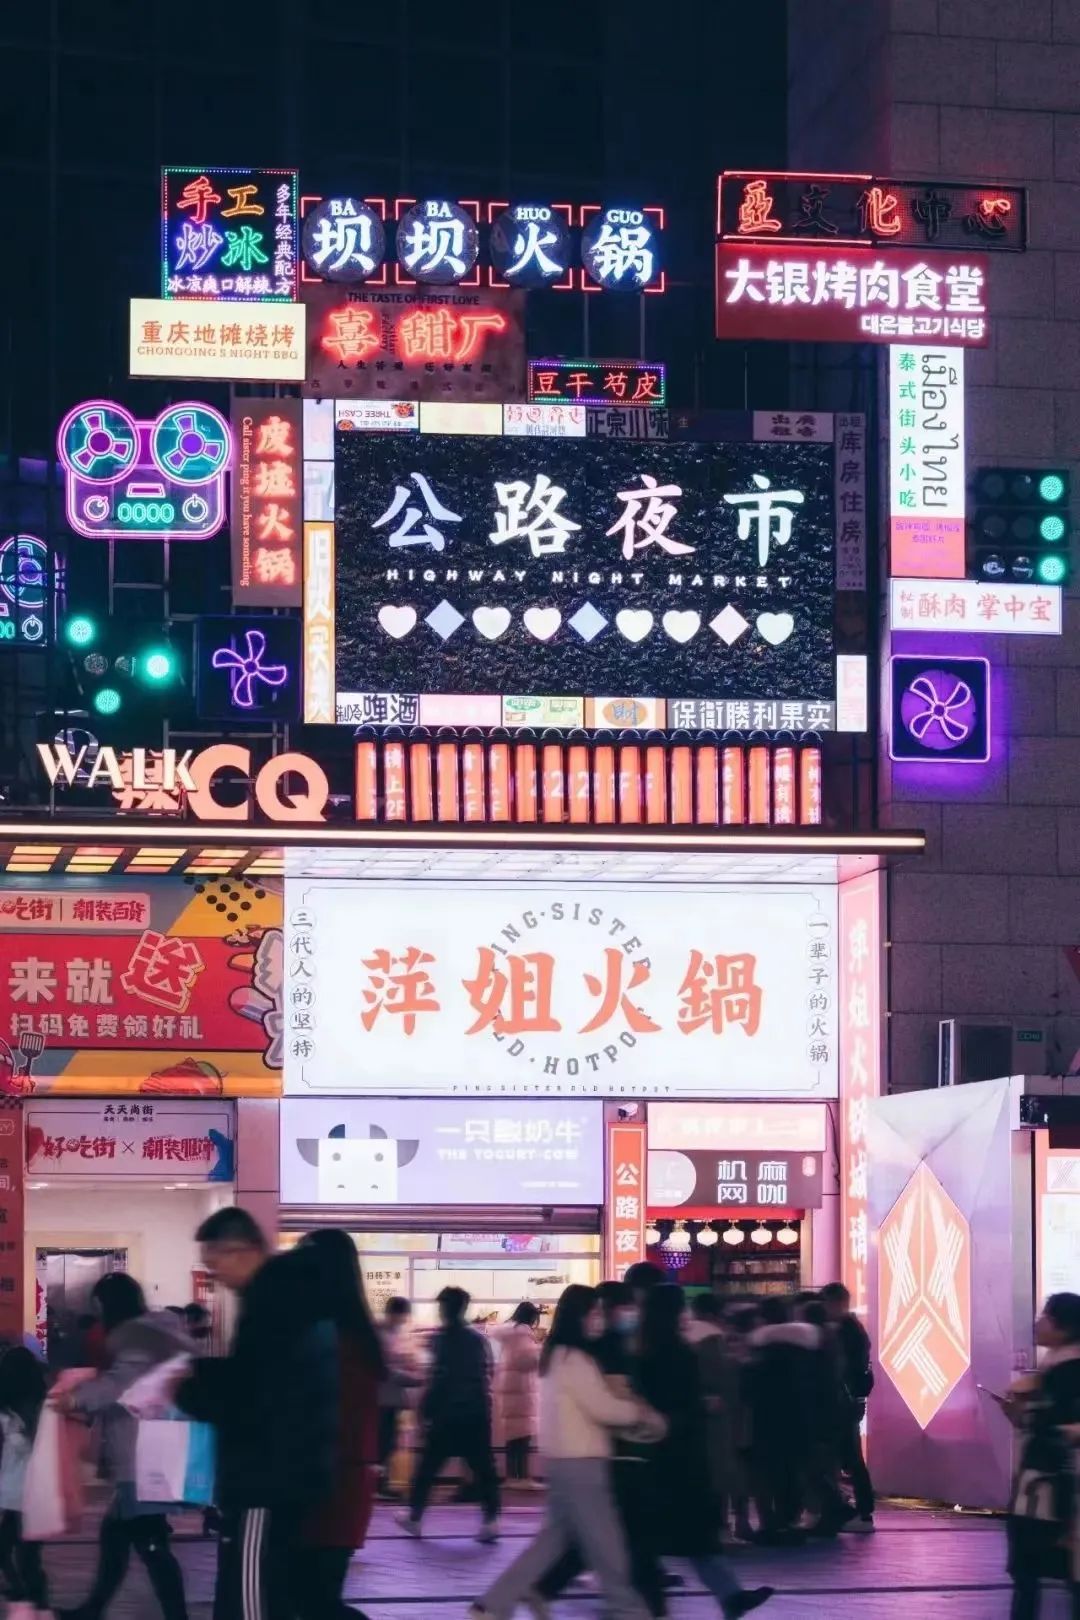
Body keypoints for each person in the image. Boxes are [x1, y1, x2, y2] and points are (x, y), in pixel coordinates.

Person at [176, 1207, 338, 1620]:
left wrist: (190, 1390)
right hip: (287, 1472)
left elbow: (255, 1393)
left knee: (251, 1596)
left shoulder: (273, 1302)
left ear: (240, 1250)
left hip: (266, 1478)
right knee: (270, 1591)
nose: (215, 1277)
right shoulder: (290, 1296)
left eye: (215, 1264)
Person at [469, 1283, 665, 1620]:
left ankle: (492, 1605)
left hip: (562, 1460)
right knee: (606, 1543)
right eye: (594, 1313)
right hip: (581, 1462)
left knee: (551, 1543)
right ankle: (628, 1610)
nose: (598, 1319)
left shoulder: (555, 1355)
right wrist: (639, 1412)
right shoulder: (575, 1360)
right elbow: (602, 1407)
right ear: (580, 1316)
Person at [55, 1273, 192, 1620]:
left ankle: (176, 1616)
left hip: (142, 1455)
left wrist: (77, 1398)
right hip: (147, 1450)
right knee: (115, 1534)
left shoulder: (138, 1338)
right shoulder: (153, 1332)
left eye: (99, 1305)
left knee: (151, 1544)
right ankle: (93, 1609)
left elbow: (119, 1383)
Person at [637, 1285, 772, 1619]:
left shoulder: (646, 1350)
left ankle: (727, 1596)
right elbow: (679, 1400)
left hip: (661, 1455)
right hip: (678, 1456)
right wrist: (703, 1404)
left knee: (678, 1534)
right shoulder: (676, 1352)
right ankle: (723, 1596)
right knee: (685, 1533)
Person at [297, 1230, 384, 1620]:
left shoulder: (324, 1335)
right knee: (317, 1600)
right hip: (345, 1481)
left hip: (321, 1482)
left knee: (312, 1603)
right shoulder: (358, 1333)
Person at [397, 1286, 500, 1542]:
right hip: (475, 1413)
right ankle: (491, 1521)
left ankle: (415, 1517)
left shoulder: (440, 1339)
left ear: (445, 1308)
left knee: (428, 1468)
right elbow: (487, 1374)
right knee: (484, 1469)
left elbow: (438, 1380)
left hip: (447, 1415)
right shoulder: (478, 1339)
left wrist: (424, 1412)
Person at [1004, 1292, 1080, 1620]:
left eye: (1046, 1316)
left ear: (1065, 1327)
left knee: (1036, 1572)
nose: (1038, 1322)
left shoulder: (1069, 1371)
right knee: (1033, 1573)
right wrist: (1018, 1411)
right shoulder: (1050, 1368)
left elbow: (1054, 1425)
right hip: (1040, 1486)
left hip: (1056, 1488)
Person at [745, 1296, 821, 1544]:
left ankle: (770, 1525)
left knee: (767, 1474)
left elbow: (750, 1387)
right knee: (792, 1472)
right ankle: (790, 1521)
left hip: (766, 1421)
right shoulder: (807, 1346)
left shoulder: (759, 1347)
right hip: (800, 1419)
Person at [684, 1294, 745, 1543]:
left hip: (690, 1420)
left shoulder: (681, 1338)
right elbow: (726, 1382)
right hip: (717, 1420)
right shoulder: (714, 1341)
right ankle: (719, 1528)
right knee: (719, 1475)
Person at [820, 1281, 875, 1532]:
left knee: (851, 1458)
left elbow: (847, 1369)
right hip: (848, 1401)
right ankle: (857, 1511)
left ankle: (862, 1513)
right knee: (849, 1457)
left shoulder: (847, 1332)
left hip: (844, 1402)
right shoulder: (852, 1330)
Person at [0, 1346, 51, 1619]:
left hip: (22, 1490)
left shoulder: (21, 1409)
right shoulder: (38, 1406)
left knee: (24, 1555)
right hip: (25, 1490)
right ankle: (28, 1597)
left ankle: (33, 1601)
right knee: (21, 1552)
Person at [376, 1297, 420, 1500]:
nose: (404, 1320)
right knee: (383, 1443)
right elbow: (385, 1370)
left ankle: (381, 1483)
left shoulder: (390, 1333)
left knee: (388, 1442)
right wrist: (413, 1378)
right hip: (383, 1398)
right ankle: (379, 1485)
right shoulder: (382, 1335)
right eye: (403, 1315)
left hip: (390, 1397)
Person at [494, 1302, 541, 1486]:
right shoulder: (522, 1334)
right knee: (522, 1437)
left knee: (513, 1437)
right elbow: (525, 1360)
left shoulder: (509, 1333)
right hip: (521, 1390)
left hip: (510, 1389)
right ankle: (521, 1477)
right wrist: (541, 1350)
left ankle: (513, 1476)